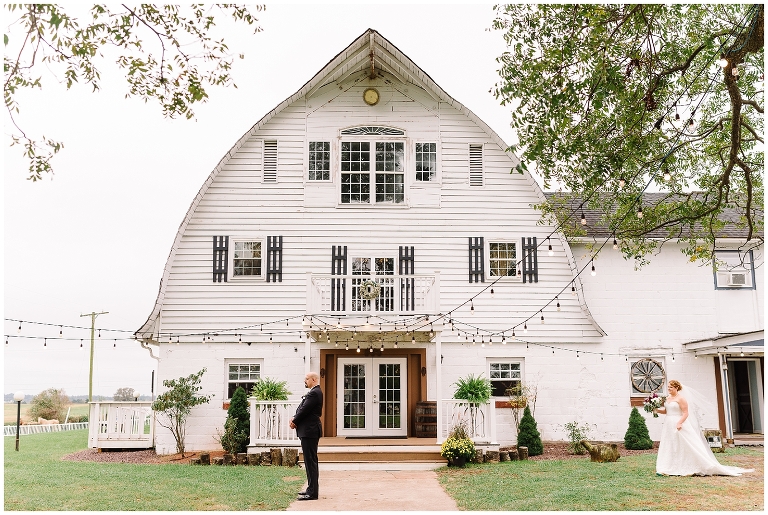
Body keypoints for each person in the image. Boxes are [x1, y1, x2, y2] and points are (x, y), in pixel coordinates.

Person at [654, 380, 753, 476]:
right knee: (671, 443)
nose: (669, 389)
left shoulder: (681, 399)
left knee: (687, 444)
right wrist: (656, 410)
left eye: (671, 387)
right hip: (668, 424)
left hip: (679, 423)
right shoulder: (667, 398)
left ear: (676, 388)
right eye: (668, 387)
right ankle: (668, 465)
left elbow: (685, 413)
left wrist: (679, 423)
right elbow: (667, 411)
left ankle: (696, 464)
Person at [290, 372, 323, 501]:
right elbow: (303, 407)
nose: (305, 380)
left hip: (310, 431)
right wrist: (294, 418)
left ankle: (313, 493)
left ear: (313, 379)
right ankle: (311, 489)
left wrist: (294, 420)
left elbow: (305, 410)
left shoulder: (315, 393)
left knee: (311, 462)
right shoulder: (313, 392)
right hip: (308, 431)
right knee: (309, 462)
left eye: (307, 379)